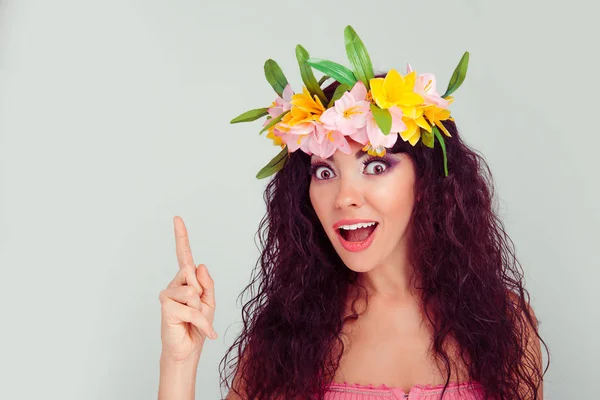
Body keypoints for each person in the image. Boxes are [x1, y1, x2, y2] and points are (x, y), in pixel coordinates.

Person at [158, 26, 549, 400]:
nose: (344, 197)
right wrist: (179, 362)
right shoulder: (287, 336)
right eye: (325, 172)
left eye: (375, 166)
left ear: (425, 182)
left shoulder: (504, 323)